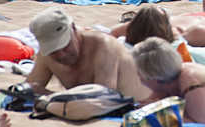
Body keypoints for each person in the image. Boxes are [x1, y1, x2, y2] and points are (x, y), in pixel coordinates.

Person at [24, 11, 155, 101]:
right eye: (53, 51)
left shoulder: (103, 46)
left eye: (65, 46)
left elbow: (104, 97)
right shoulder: (46, 54)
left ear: (74, 29)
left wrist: (50, 95)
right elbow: (29, 88)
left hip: (143, 103)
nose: (61, 54)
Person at [132, 38, 205, 125]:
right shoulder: (171, 77)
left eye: (139, 74)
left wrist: (159, 113)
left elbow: (202, 125)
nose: (138, 78)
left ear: (153, 77)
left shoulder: (191, 81)